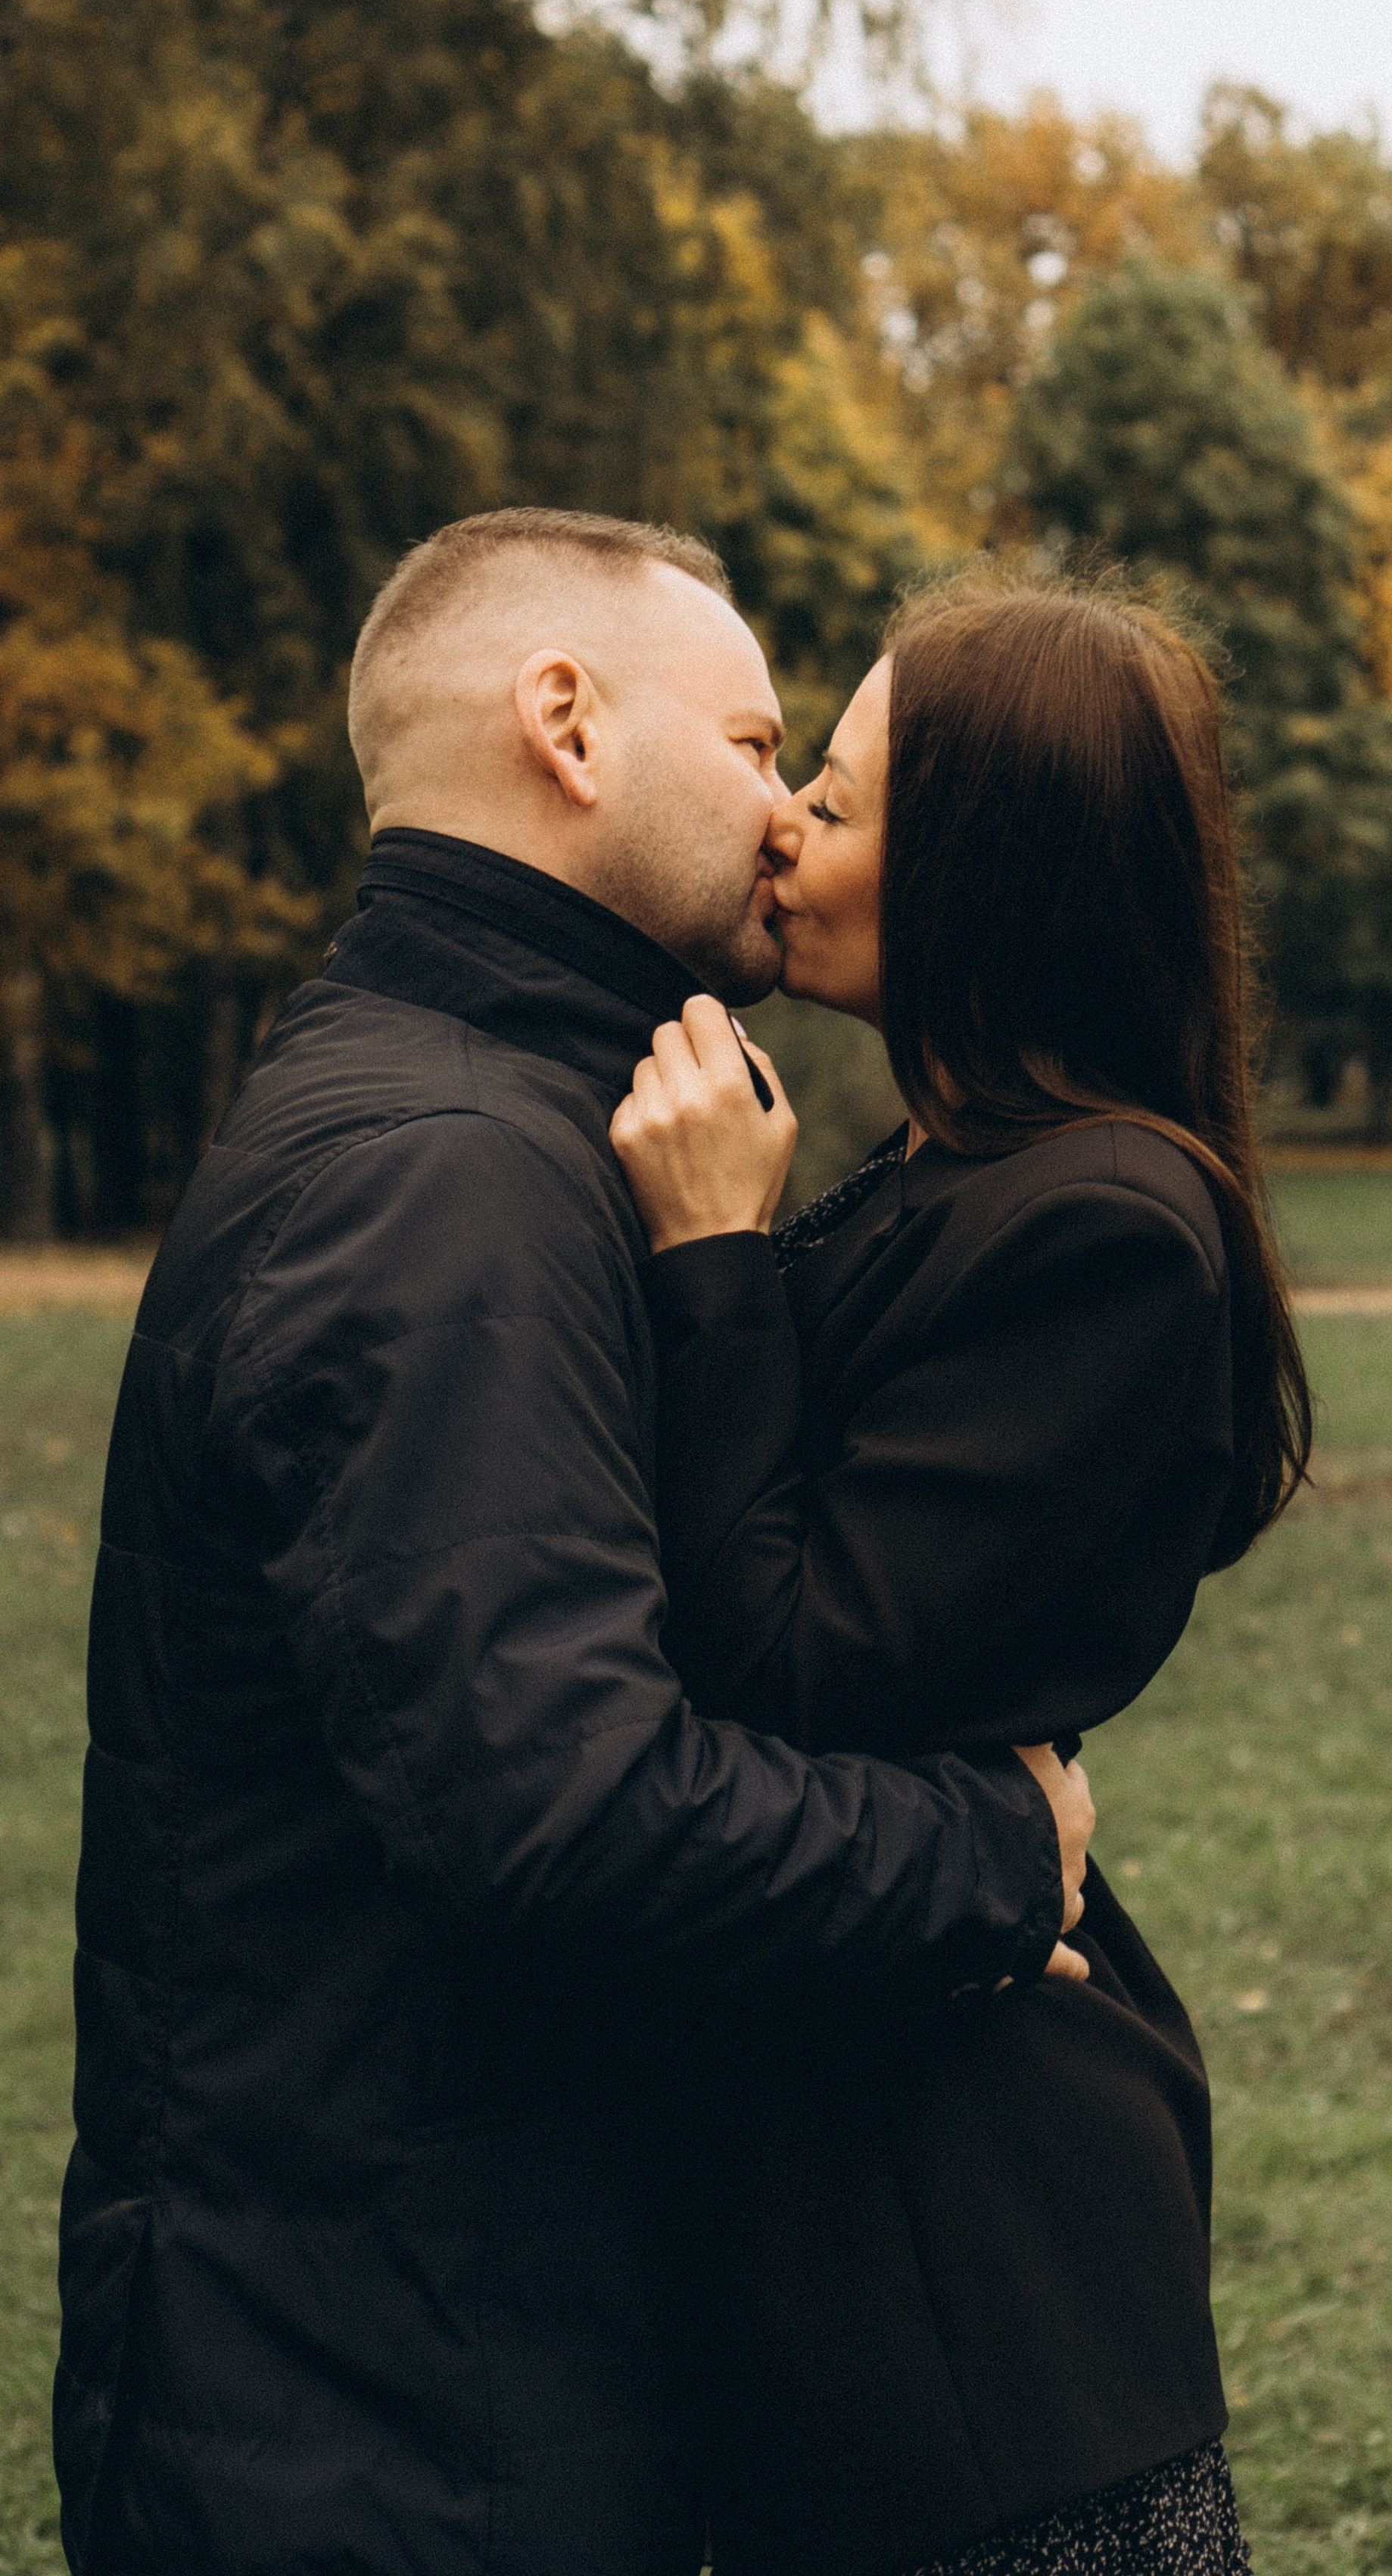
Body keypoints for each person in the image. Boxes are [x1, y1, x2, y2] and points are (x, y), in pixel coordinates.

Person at [54, 509, 1097, 2576]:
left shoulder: (489, 1108)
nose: (790, 805)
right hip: (384, 2437)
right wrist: (990, 1853)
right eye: (754, 736)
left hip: (421, 2372)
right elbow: (562, 1810)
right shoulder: (446, 1172)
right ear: (567, 725)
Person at [609, 575, 1312, 2576]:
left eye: (829, 799)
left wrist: (714, 1267)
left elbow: (785, 1665)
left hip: (979, 2290)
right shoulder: (944, 1181)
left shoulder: (1107, 1225)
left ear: (984, 868)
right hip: (850, 2191)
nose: (778, 831)